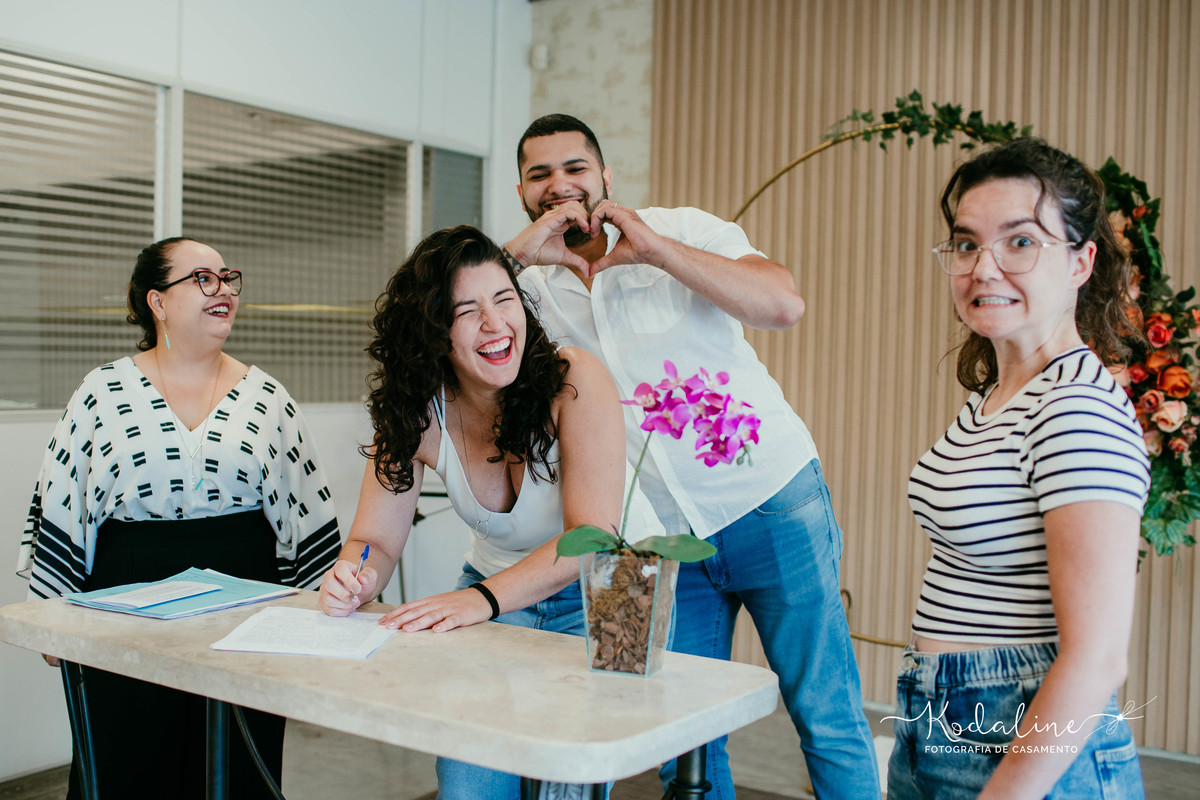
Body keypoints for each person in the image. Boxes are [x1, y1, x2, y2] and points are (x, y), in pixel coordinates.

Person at [502, 113, 880, 800]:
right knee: (684, 739)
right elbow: (443, 334)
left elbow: (781, 303)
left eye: (575, 169)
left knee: (825, 714)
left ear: (605, 178)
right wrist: (516, 256)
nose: (559, 186)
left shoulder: (684, 228)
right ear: (523, 193)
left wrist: (659, 251)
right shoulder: (520, 292)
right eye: (539, 175)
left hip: (772, 503)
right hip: (658, 542)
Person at [318, 224, 662, 800]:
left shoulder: (575, 379)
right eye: (466, 310)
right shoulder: (415, 413)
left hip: (616, 585)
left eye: (505, 300)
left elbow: (592, 535)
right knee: (467, 784)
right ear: (432, 332)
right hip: (495, 585)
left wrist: (477, 600)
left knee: (566, 786)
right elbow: (373, 538)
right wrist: (356, 578)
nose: (495, 323)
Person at [16, 236, 342, 799]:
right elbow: (63, 501)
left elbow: (305, 509)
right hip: (125, 611)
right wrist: (54, 617)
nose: (223, 290)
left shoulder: (267, 397)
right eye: (202, 278)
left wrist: (314, 617)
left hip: (245, 610)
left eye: (227, 277)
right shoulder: (102, 392)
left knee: (236, 772)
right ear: (157, 302)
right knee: (129, 767)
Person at [888, 138, 1149, 799]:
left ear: (1081, 262)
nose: (984, 267)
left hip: (1022, 738)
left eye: (1022, 242)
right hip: (938, 718)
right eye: (967, 243)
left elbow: (1096, 659)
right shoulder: (995, 397)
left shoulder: (1076, 409)